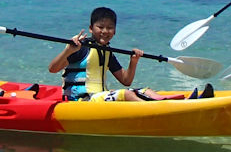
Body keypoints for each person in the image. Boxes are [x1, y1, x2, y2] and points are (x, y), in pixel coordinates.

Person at [49, 7, 214, 102]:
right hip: (82, 101)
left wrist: (133, 61)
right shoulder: (80, 48)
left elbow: (126, 80)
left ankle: (179, 101)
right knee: (127, 93)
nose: (105, 31)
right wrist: (68, 50)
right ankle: (157, 111)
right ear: (91, 28)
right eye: (100, 27)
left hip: (100, 97)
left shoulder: (108, 53)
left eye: (110, 27)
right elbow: (53, 69)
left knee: (145, 90)